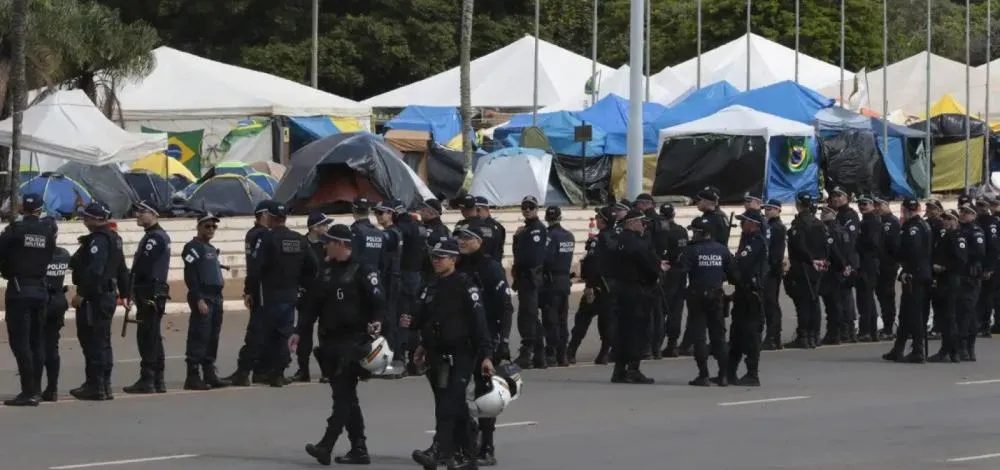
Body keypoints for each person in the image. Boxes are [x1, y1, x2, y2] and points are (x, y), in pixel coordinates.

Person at [297, 224, 385, 466]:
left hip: (354, 341)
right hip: (329, 342)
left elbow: (379, 303)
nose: (325, 245)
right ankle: (359, 448)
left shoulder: (363, 270)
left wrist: (377, 323)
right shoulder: (325, 271)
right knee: (345, 396)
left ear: (341, 244)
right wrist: (299, 332)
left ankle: (326, 444)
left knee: (343, 396)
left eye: (329, 242)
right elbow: (312, 306)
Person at [403, 239, 495, 470]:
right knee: (454, 407)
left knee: (448, 404)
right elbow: (425, 317)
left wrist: (486, 355)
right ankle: (467, 455)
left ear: (454, 260)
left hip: (462, 353)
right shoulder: (431, 285)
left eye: (441, 257)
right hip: (437, 354)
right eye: (434, 256)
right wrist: (419, 337)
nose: (436, 260)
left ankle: (439, 451)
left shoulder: (466, 284)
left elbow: (479, 322)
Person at [454, 222, 513, 466]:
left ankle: (486, 448)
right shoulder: (456, 266)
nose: (462, 242)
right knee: (456, 396)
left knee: (485, 397)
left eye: (467, 238)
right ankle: (464, 442)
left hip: (485, 341)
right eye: (459, 237)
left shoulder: (491, 268)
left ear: (479, 241)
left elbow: (506, 307)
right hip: (460, 340)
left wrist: (502, 340)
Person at [247, 201, 320, 386]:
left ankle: (266, 371)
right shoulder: (298, 239)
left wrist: (249, 290)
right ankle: (278, 372)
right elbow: (313, 266)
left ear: (270, 218)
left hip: (270, 293)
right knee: (284, 333)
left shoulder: (267, 238)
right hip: (291, 293)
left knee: (268, 333)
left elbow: (255, 268)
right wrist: (302, 285)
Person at [0, 194, 56, 406]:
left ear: (23, 208)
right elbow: (49, 256)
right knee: (36, 342)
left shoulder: (14, 231)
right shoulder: (47, 233)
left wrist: (8, 270)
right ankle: (36, 389)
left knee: (21, 343)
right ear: (40, 210)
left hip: (18, 289)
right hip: (40, 289)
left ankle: (29, 391)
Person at [69, 200, 128, 401]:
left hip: (96, 297)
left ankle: (96, 385)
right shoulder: (113, 238)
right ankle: (103, 384)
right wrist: (126, 293)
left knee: (93, 341)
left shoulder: (99, 240)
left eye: (87, 216)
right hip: (107, 295)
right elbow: (122, 269)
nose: (84, 219)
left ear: (97, 219)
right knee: (102, 341)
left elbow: (96, 271)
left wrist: (81, 294)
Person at [673, 216, 737, 386]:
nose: (692, 235)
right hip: (716, 296)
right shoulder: (722, 250)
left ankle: (704, 375)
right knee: (719, 336)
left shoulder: (690, 251)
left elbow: (682, 272)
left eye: (694, 232)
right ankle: (723, 375)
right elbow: (733, 274)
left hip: (697, 296)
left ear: (698, 233)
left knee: (699, 336)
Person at [123, 201, 172, 394]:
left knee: (147, 335)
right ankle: (157, 378)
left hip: (150, 290)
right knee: (152, 334)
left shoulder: (155, 238)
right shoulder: (155, 236)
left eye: (142, 212)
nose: (138, 215)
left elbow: (143, 266)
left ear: (154, 214)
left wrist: (131, 287)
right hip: (152, 289)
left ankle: (149, 377)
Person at [181, 213, 231, 390]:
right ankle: (193, 375)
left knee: (212, 336)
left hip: (216, 297)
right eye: (207, 226)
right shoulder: (192, 248)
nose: (211, 229)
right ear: (199, 226)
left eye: (214, 226)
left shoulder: (209, 248)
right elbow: (191, 275)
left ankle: (209, 372)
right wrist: (198, 298)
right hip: (203, 296)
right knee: (199, 335)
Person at [611, 209, 660, 384]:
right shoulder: (636, 243)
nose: (644, 226)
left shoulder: (617, 240)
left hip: (621, 288)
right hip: (636, 290)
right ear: (632, 223)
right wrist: (657, 272)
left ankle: (619, 369)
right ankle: (633, 369)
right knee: (637, 331)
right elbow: (651, 266)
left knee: (623, 330)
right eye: (642, 222)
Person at [224, 203, 271, 386]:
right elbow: (256, 266)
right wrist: (249, 289)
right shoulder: (263, 235)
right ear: (264, 215)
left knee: (261, 331)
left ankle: (256, 370)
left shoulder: (252, 234)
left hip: (257, 288)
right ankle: (245, 370)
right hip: (262, 290)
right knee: (258, 331)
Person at [883, 198, 933, 363]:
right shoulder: (919, 225)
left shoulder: (913, 228)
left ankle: (918, 350)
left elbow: (914, 252)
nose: (908, 211)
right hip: (918, 273)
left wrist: (908, 271)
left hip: (915, 276)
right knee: (905, 313)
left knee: (914, 313)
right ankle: (898, 348)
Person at [568, 206, 617, 365]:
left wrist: (589, 286)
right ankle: (604, 354)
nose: (596, 219)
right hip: (612, 287)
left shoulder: (598, 240)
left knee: (582, 320)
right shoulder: (618, 237)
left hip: (597, 286)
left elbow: (592, 264)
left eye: (598, 217)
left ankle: (571, 352)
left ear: (603, 221)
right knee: (607, 322)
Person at [288, 211, 332, 383]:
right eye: (324, 225)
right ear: (314, 227)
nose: (327, 228)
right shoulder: (301, 244)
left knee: (326, 333)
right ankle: (303, 369)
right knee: (303, 332)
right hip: (307, 294)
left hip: (325, 294)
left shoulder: (327, 244)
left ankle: (327, 370)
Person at [783, 192, 829, 349]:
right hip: (817, 267)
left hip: (803, 267)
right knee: (814, 302)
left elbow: (800, 247)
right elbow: (825, 245)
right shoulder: (818, 223)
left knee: (803, 303)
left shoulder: (800, 224)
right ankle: (813, 335)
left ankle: (805, 336)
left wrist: (810, 260)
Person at [727, 211, 767, 386]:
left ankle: (752, 373)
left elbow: (741, 264)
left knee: (750, 334)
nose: (742, 225)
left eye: (744, 222)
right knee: (736, 333)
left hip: (751, 294)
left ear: (754, 224)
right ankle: (729, 372)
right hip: (742, 293)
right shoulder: (746, 241)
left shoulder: (756, 242)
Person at [511, 195, 548, 369]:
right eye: (524, 207)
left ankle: (529, 352)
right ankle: (539, 354)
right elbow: (519, 253)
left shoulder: (536, 229)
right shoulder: (526, 230)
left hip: (530, 277)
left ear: (536, 209)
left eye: (530, 207)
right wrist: (517, 238)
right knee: (530, 315)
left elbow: (531, 257)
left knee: (528, 316)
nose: (527, 210)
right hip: (525, 277)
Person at [928, 209, 965, 363]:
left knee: (950, 317)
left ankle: (950, 351)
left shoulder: (957, 237)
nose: (945, 221)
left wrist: (943, 268)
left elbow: (960, 261)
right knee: (945, 317)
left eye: (949, 219)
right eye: (944, 218)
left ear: (955, 221)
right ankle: (951, 350)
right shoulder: (945, 236)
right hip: (943, 280)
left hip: (952, 280)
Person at [374, 200, 406, 377]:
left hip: (390, 279)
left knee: (389, 319)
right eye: (377, 213)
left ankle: (392, 357)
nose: (378, 216)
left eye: (381, 213)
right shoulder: (393, 232)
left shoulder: (391, 233)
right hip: (390, 277)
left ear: (390, 214)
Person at [40, 216, 70, 402]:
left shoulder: (38, 256)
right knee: (52, 347)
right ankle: (52, 388)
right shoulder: (64, 254)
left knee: (36, 346)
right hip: (58, 301)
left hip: (42, 302)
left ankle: (34, 388)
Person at [634, 193, 667, 360]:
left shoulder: (647, 222)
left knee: (648, 312)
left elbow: (647, 247)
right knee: (658, 312)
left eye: (639, 204)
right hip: (660, 266)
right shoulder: (662, 221)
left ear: (646, 204)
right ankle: (657, 348)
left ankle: (646, 348)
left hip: (649, 268)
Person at [541, 206, 574, 366]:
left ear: (547, 218)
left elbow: (546, 259)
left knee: (551, 318)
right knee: (562, 319)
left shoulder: (550, 236)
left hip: (551, 281)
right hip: (564, 280)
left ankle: (552, 352)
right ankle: (563, 354)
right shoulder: (569, 236)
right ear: (560, 217)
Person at [828, 187, 860, 343]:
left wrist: (848, 263)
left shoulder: (850, 216)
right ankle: (842, 329)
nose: (836, 199)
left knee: (845, 297)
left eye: (839, 196)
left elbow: (850, 241)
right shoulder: (838, 215)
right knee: (839, 297)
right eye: (834, 196)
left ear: (846, 197)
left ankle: (849, 329)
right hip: (837, 261)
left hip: (847, 260)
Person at [658, 203, 689, 358]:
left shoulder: (663, 233)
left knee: (661, 309)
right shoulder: (682, 231)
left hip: (667, 272)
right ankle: (673, 344)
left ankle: (656, 345)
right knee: (676, 310)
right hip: (681, 272)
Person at [956, 203, 985, 361]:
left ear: (973, 215)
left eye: (967, 213)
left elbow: (979, 253)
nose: (963, 214)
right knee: (963, 312)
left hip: (970, 277)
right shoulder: (960, 230)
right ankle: (963, 347)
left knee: (968, 313)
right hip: (961, 276)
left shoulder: (975, 232)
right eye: (962, 212)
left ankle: (967, 347)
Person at [818, 206, 851, 345]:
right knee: (835, 303)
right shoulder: (838, 229)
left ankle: (835, 333)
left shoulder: (831, 230)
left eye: (826, 212)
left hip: (833, 270)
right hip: (838, 269)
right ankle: (838, 332)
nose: (822, 214)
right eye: (822, 212)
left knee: (833, 304)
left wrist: (843, 266)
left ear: (834, 214)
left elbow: (835, 251)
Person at [855, 196, 883, 342]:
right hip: (867, 263)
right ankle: (871, 330)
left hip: (868, 263)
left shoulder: (871, 221)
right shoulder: (866, 220)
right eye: (860, 204)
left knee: (865, 298)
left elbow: (872, 244)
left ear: (872, 205)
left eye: (865, 204)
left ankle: (867, 330)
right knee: (866, 298)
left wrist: (858, 246)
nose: (862, 206)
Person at [761, 199, 787, 350]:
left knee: (771, 303)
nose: (767, 211)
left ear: (778, 210)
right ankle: (773, 336)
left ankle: (773, 336)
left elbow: (775, 252)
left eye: (771, 209)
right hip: (768, 268)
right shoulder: (768, 226)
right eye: (766, 208)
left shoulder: (777, 227)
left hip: (772, 269)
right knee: (767, 303)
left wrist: (771, 267)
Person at [875, 196, 901, 340]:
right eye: (876, 205)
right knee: (882, 297)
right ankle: (887, 326)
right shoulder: (879, 221)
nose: (877, 208)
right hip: (879, 265)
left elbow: (894, 246)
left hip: (888, 265)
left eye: (880, 205)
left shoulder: (892, 222)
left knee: (887, 297)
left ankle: (889, 328)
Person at [974, 198, 1000, 337]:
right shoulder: (977, 221)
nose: (981, 208)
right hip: (981, 264)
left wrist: (989, 268)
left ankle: (985, 325)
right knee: (982, 295)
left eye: (983, 206)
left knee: (988, 295)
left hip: (991, 264)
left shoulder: (991, 223)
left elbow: (994, 246)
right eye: (979, 205)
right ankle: (981, 323)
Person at [350, 197, 385, 271]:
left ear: (353, 209)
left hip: (357, 277)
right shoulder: (380, 233)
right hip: (375, 277)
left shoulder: (354, 232)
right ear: (369, 210)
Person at [475, 196, 506, 262]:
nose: (475, 213)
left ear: (487, 210)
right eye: (473, 210)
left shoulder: (496, 226)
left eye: (478, 210)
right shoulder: (474, 224)